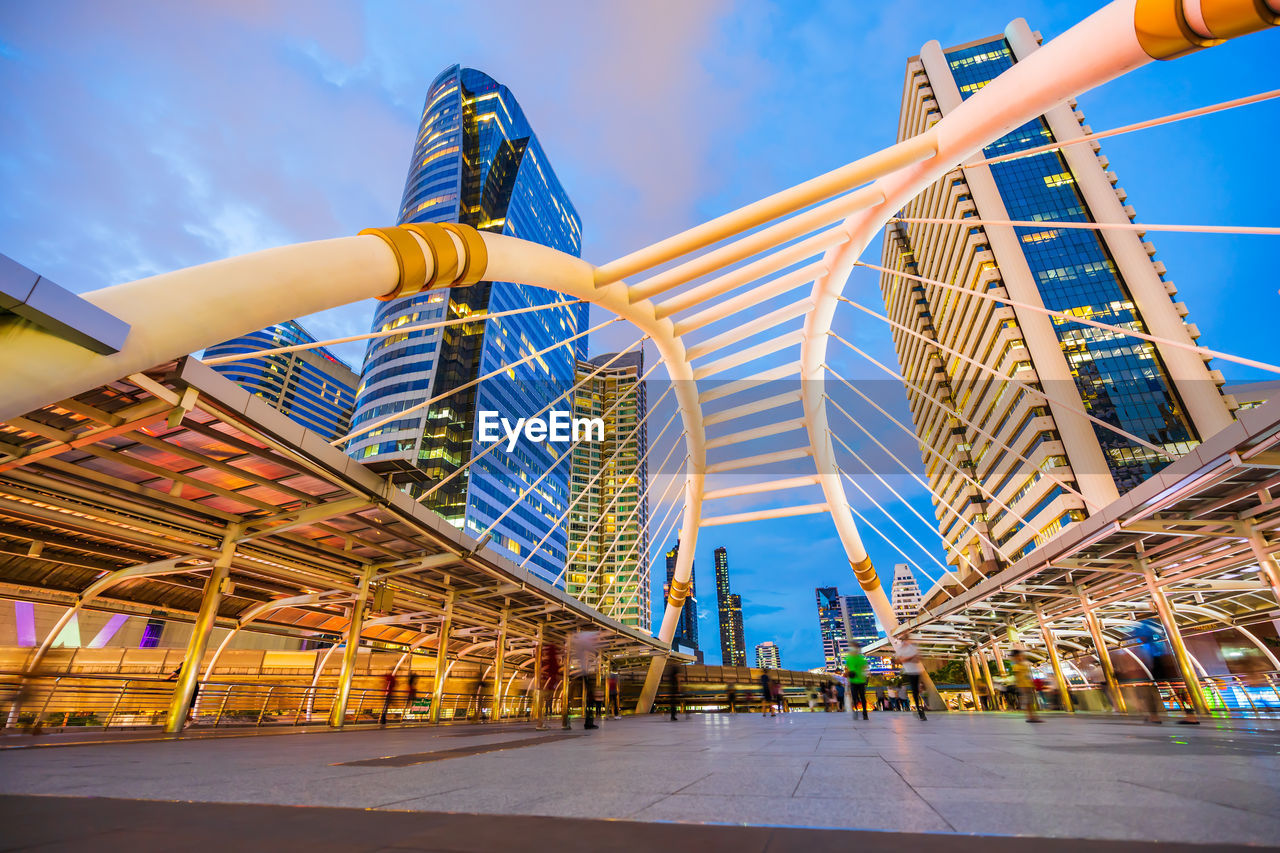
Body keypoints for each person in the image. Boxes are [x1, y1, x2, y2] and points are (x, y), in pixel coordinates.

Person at [897, 634, 927, 721]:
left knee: (917, 691)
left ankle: (921, 710)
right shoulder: (901, 649)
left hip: (917, 671)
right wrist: (911, 658)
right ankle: (920, 711)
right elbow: (900, 660)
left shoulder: (912, 647)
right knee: (915, 692)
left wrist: (907, 659)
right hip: (910, 671)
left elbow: (918, 658)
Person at [1010, 649, 1042, 723]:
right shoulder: (1016, 666)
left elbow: (1027, 676)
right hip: (1023, 686)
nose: (1021, 657)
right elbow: (1018, 678)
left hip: (1028, 685)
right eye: (1019, 656)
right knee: (1028, 702)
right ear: (1016, 657)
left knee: (1030, 702)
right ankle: (1030, 716)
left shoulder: (1023, 664)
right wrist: (1020, 686)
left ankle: (1033, 716)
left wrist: (1032, 684)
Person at [845, 644, 869, 721]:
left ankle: (863, 713)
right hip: (854, 681)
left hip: (860, 681)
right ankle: (858, 711)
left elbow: (865, 668)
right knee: (856, 697)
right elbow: (847, 669)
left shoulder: (861, 658)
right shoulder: (849, 658)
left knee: (861, 697)